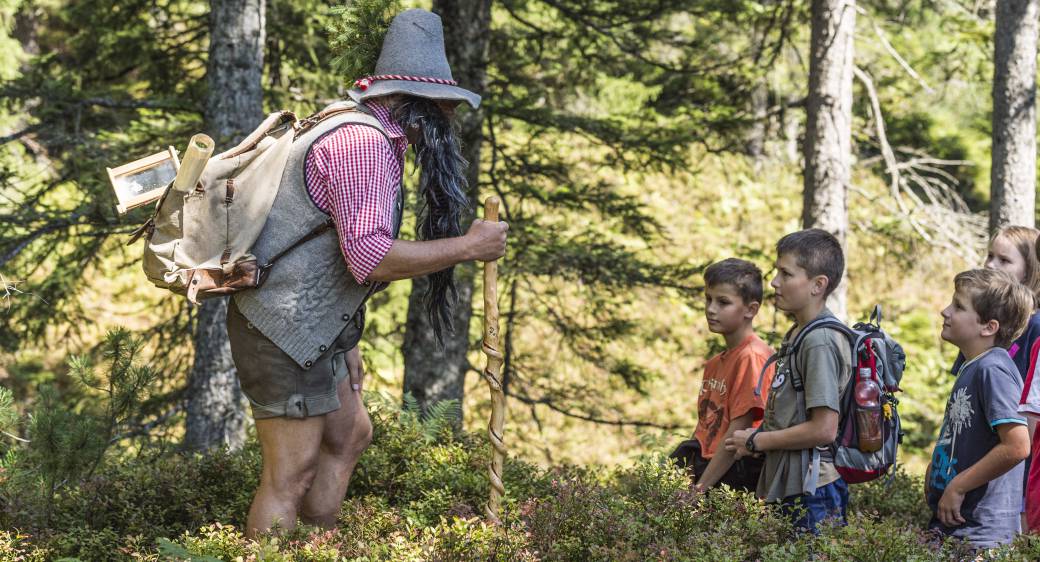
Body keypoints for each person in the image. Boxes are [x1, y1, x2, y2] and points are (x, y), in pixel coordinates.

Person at [224, 9, 508, 537]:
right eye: (444, 108)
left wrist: (345, 337)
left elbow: (334, 249)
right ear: (414, 105)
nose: (448, 120)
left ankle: (318, 544)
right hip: (282, 329)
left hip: (315, 327)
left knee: (349, 435)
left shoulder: (362, 131)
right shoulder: (363, 147)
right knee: (290, 473)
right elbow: (369, 258)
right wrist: (468, 247)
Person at [725, 228, 851, 533]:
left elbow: (824, 428)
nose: (774, 282)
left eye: (786, 273)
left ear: (818, 285)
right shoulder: (799, 333)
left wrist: (758, 439)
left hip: (813, 490)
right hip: (793, 482)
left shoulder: (819, 341)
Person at [925, 268, 1032, 549]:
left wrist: (958, 486)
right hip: (956, 528)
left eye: (958, 306)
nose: (945, 311)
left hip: (978, 536)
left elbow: (1018, 445)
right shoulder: (972, 367)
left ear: (989, 327)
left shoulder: (993, 369)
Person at [671, 258, 774, 492]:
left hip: (735, 478)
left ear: (751, 309)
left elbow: (736, 433)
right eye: (708, 299)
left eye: (723, 302)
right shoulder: (715, 363)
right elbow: (705, 429)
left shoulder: (752, 357)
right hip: (708, 471)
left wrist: (700, 489)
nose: (711, 309)